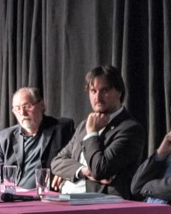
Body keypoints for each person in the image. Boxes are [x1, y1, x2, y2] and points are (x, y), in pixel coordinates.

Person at [50, 65, 146, 200]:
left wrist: (92, 133)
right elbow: (57, 162)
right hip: (65, 198)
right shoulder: (84, 125)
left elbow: (100, 170)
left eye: (104, 90)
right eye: (93, 91)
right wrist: (83, 171)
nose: (98, 97)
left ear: (119, 92)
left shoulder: (130, 129)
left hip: (100, 202)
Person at [0, 87, 75, 190]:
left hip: (48, 194)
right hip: (14, 195)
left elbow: (78, 157)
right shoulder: (3, 138)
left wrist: (65, 171)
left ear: (42, 105)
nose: (22, 113)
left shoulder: (62, 128)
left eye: (27, 106)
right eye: (17, 108)